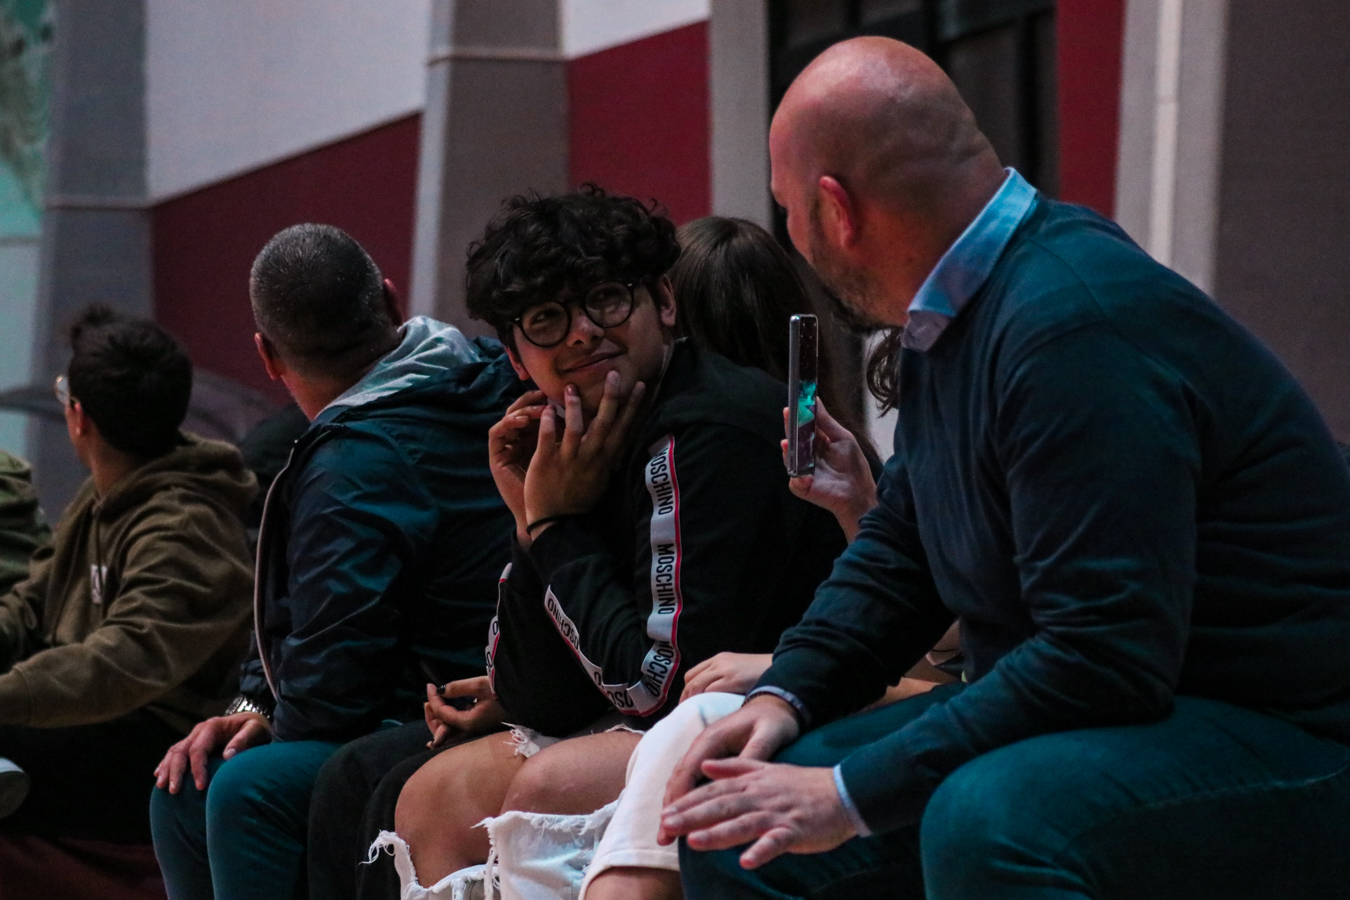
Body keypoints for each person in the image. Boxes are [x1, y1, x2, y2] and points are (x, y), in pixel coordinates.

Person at [662, 37, 1350, 900]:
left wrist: (849, 794)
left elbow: (1103, 655)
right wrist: (785, 695)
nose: (792, 238)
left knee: (988, 817)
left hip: (1286, 737)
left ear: (837, 210)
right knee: (732, 826)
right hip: (1133, 711)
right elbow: (902, 545)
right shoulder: (952, 311)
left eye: (789, 211)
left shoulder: (1072, 325)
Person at [375, 188, 846, 898]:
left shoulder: (704, 430)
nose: (582, 333)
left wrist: (556, 531)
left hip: (784, 703)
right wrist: (531, 518)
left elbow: (658, 693)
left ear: (664, 300)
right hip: (668, 708)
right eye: (547, 319)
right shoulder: (588, 434)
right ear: (515, 358)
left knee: (519, 787)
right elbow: (534, 696)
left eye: (605, 298)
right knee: (406, 788)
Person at [149, 224, 520, 900]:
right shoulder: (498, 368)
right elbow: (306, 647)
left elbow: (330, 691)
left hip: (446, 713)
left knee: (222, 784)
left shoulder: (351, 467)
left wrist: (269, 717)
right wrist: (253, 704)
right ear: (392, 299)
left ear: (267, 356)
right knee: (202, 775)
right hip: (502, 684)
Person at [0, 306, 255, 842]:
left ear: (79, 418)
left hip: (159, 742)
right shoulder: (107, 489)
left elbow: (119, 663)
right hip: (90, 712)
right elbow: (29, 606)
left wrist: (8, 693)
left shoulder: (187, 524)